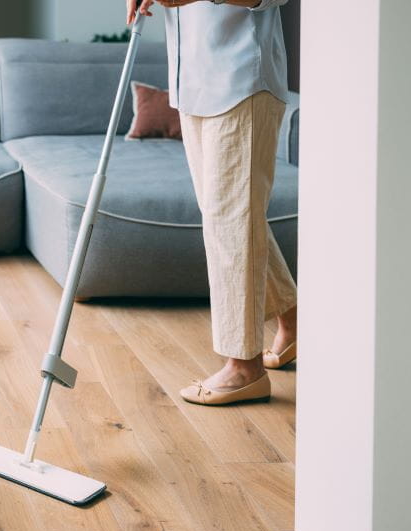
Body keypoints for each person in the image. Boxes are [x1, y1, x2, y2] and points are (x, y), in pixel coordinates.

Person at [126, 0, 297, 405]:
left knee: (231, 222)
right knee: (230, 219)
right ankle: (293, 319)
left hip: (242, 80)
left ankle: (244, 367)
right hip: (192, 83)